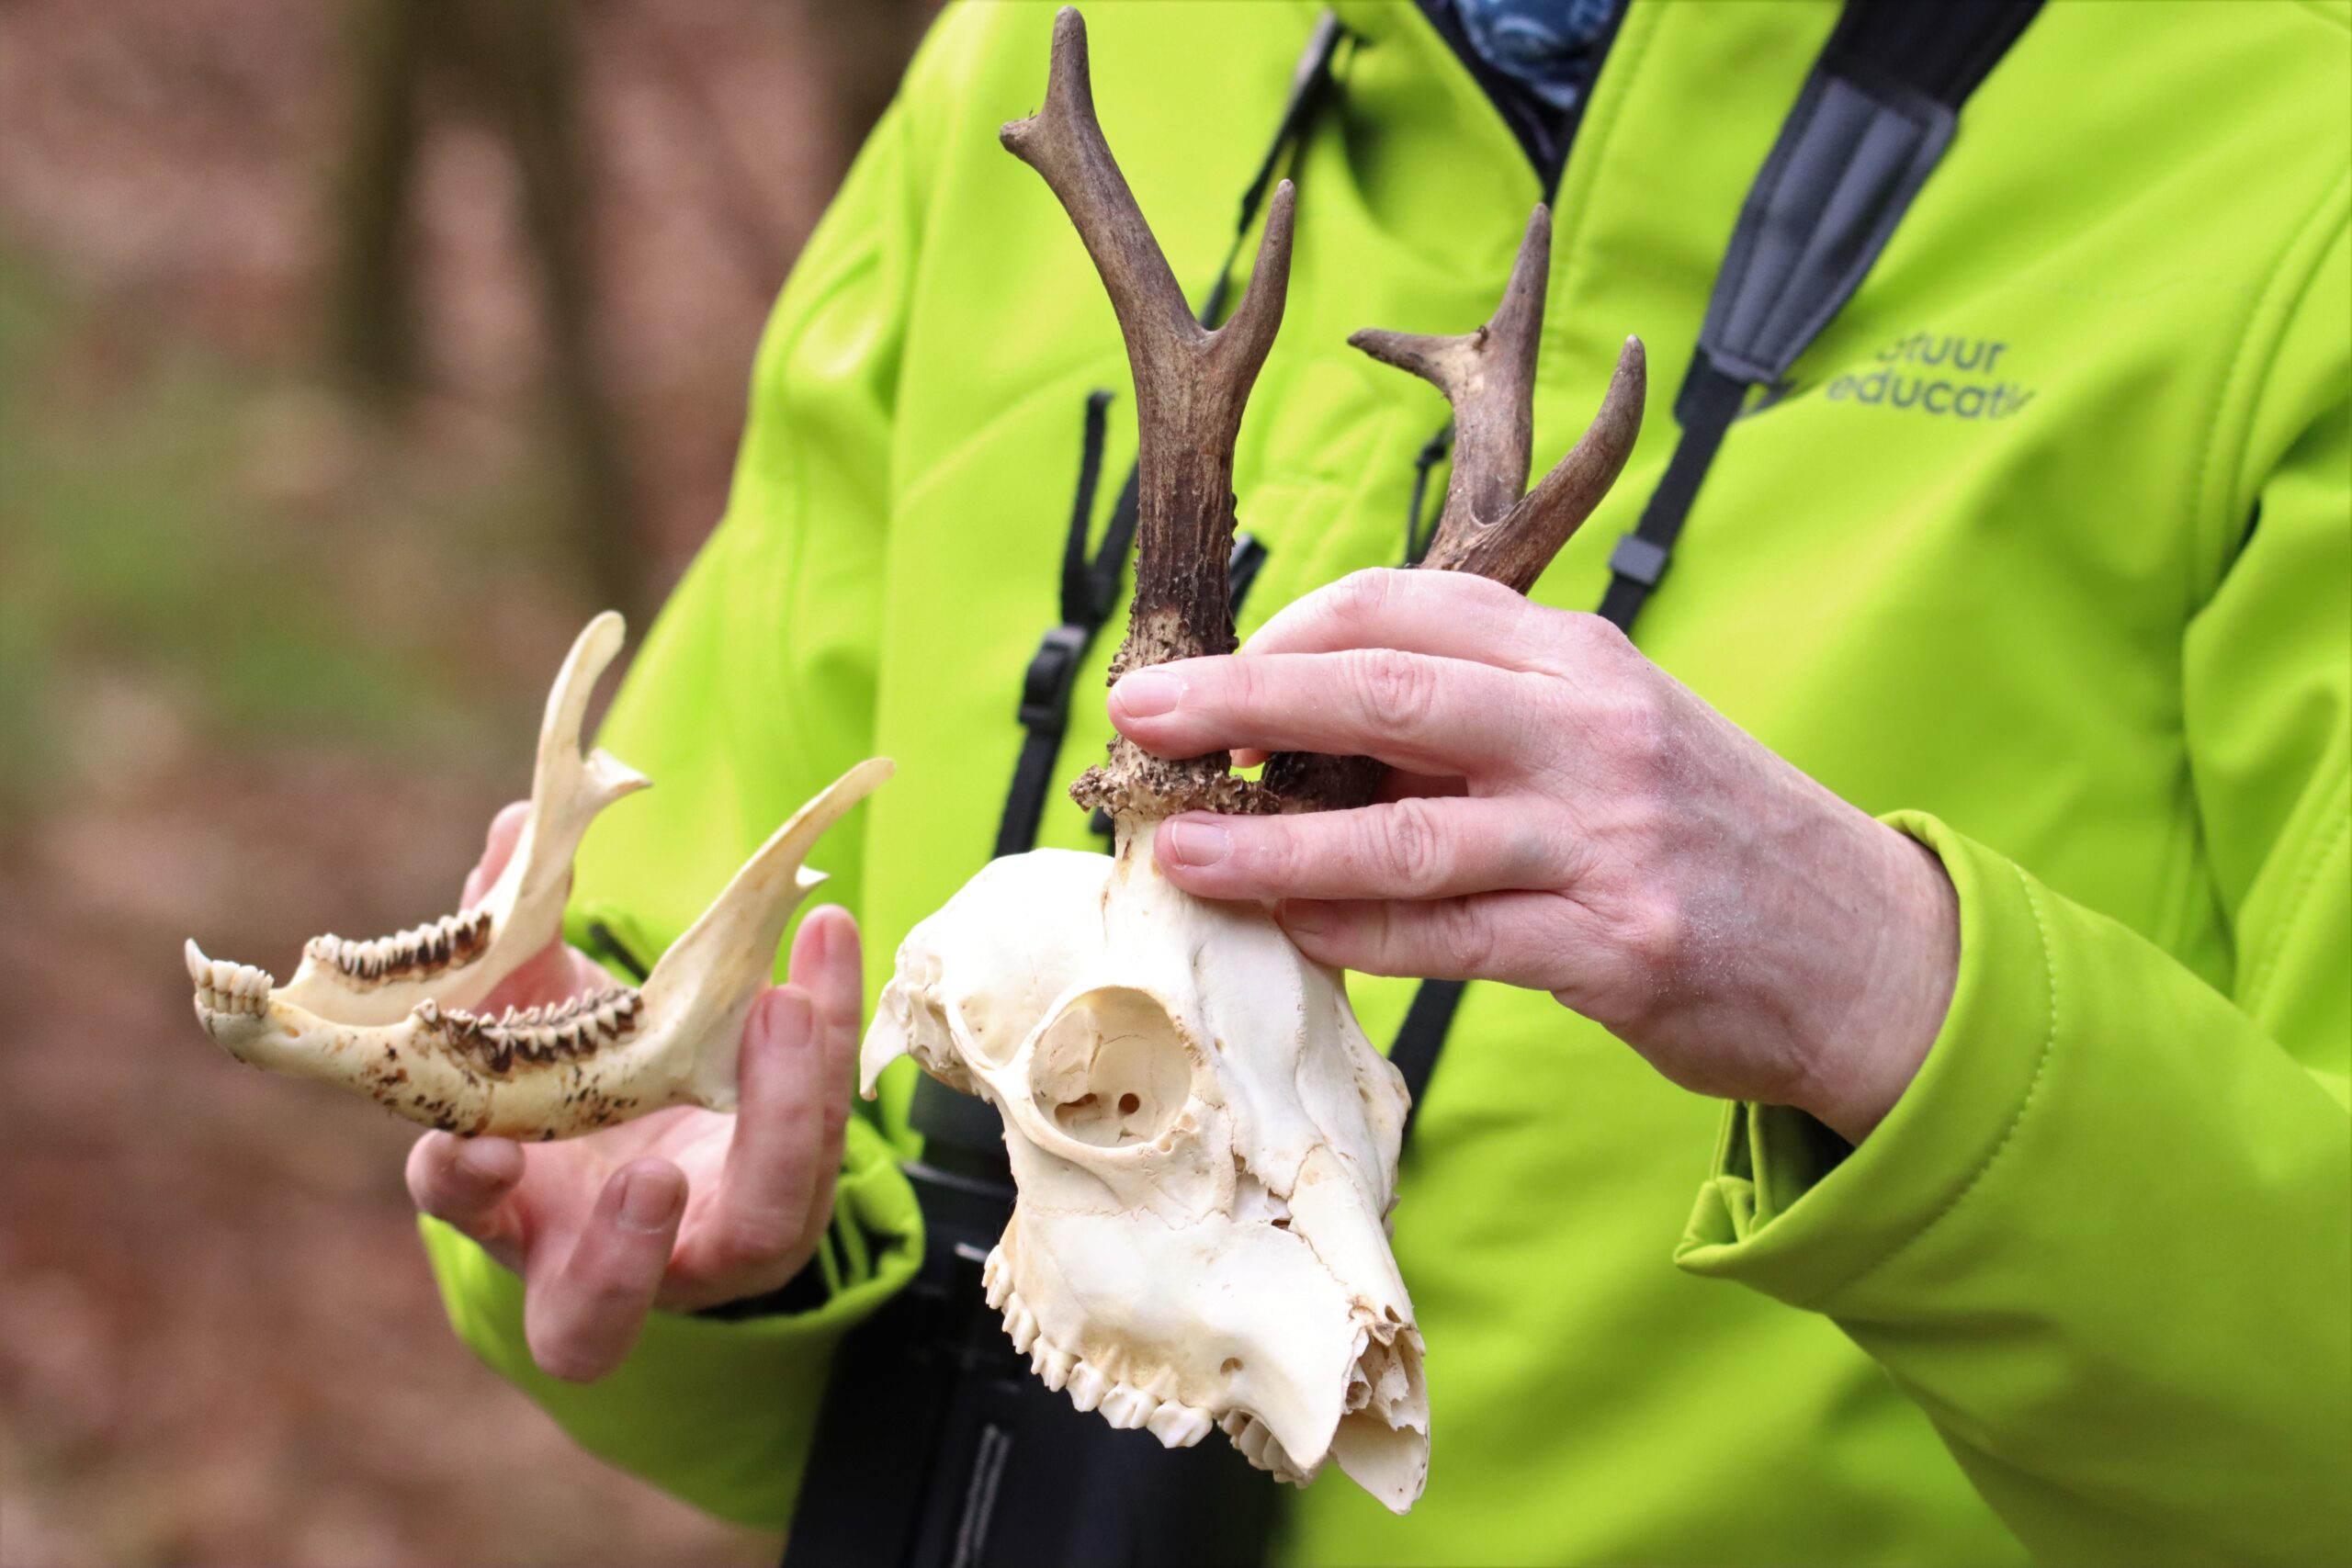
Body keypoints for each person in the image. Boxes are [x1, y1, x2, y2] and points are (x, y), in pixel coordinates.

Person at [401, 3, 2351, 1563]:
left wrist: (1902, 1007)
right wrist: (674, 1228)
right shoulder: (1055, 51)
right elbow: (691, 1015)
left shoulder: (2289, 147)